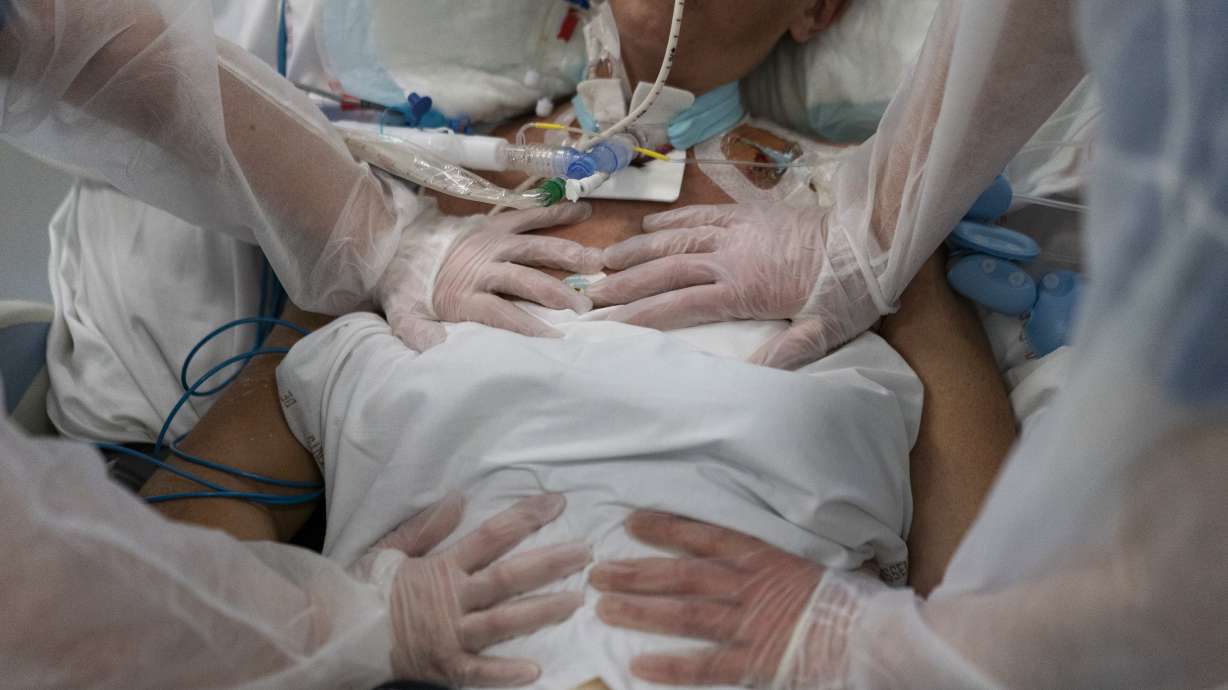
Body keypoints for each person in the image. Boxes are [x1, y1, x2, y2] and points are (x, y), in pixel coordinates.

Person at [129, 1, 1018, 687]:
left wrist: (856, 645)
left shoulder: (871, 241)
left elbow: (1000, 603)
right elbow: (173, 533)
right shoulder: (391, 218)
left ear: (815, 11)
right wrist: (347, 624)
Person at [585, 1, 1228, 687]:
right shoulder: (487, 172)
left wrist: (880, 650)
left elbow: (981, 571)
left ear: (816, 11)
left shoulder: (875, 213)